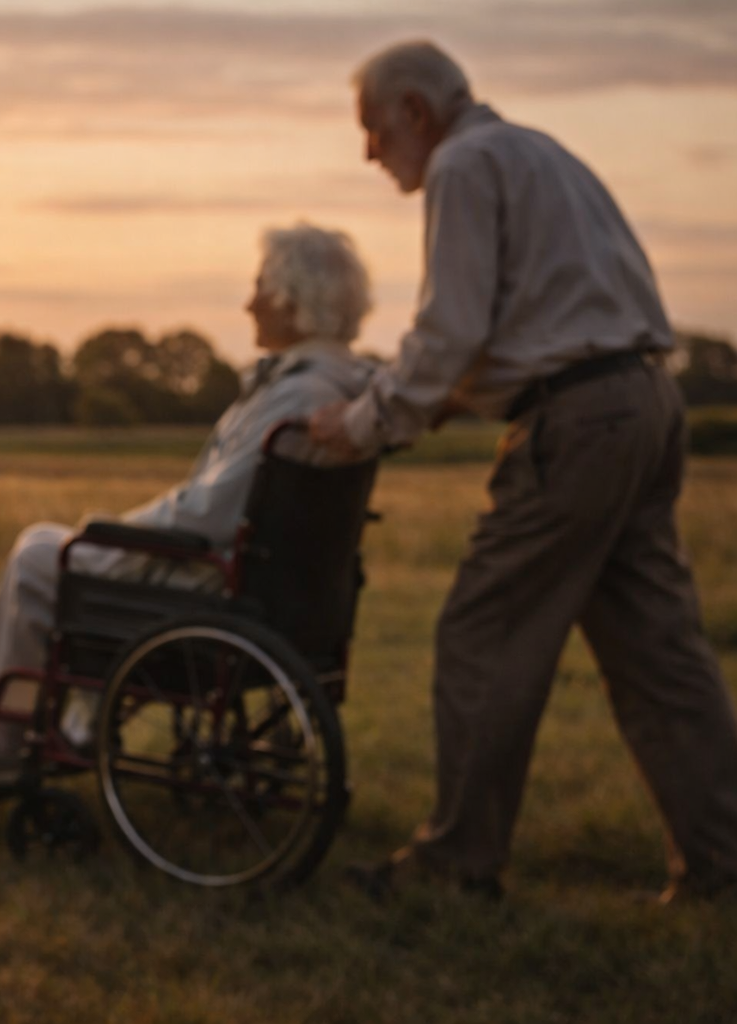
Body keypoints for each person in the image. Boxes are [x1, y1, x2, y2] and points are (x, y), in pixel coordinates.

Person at [310, 40, 737, 903]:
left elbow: (452, 331)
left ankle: (455, 866)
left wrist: (359, 425)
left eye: (373, 129)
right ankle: (723, 863)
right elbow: (532, 322)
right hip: (646, 402)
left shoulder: (462, 166)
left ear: (416, 112)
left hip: (575, 422)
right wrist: (435, 396)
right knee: (659, 652)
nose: (368, 153)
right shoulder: (543, 153)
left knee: (485, 634)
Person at [0, 223, 376, 791]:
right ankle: (68, 722)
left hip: (216, 586)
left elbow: (207, 514)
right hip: (290, 596)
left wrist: (118, 531)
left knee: (38, 554)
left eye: (260, 286)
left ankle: (7, 741)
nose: (249, 302)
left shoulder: (297, 394)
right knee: (57, 547)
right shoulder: (345, 388)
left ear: (292, 298)